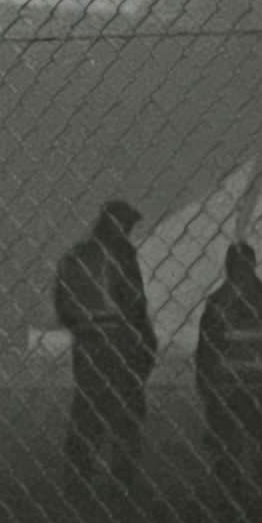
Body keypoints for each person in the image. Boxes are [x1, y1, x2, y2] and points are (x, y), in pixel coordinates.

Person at [53, 200, 160, 487]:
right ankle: (122, 477)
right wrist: (146, 342)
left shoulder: (76, 255)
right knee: (125, 410)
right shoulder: (120, 253)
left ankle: (78, 472)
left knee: (87, 406)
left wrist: (83, 328)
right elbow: (133, 301)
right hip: (119, 339)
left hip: (86, 341)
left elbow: (62, 305)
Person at [194, 241, 262, 503]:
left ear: (227, 267)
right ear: (254, 265)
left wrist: (206, 387)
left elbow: (206, 351)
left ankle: (230, 499)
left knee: (227, 450)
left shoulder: (218, 303)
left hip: (230, 389)